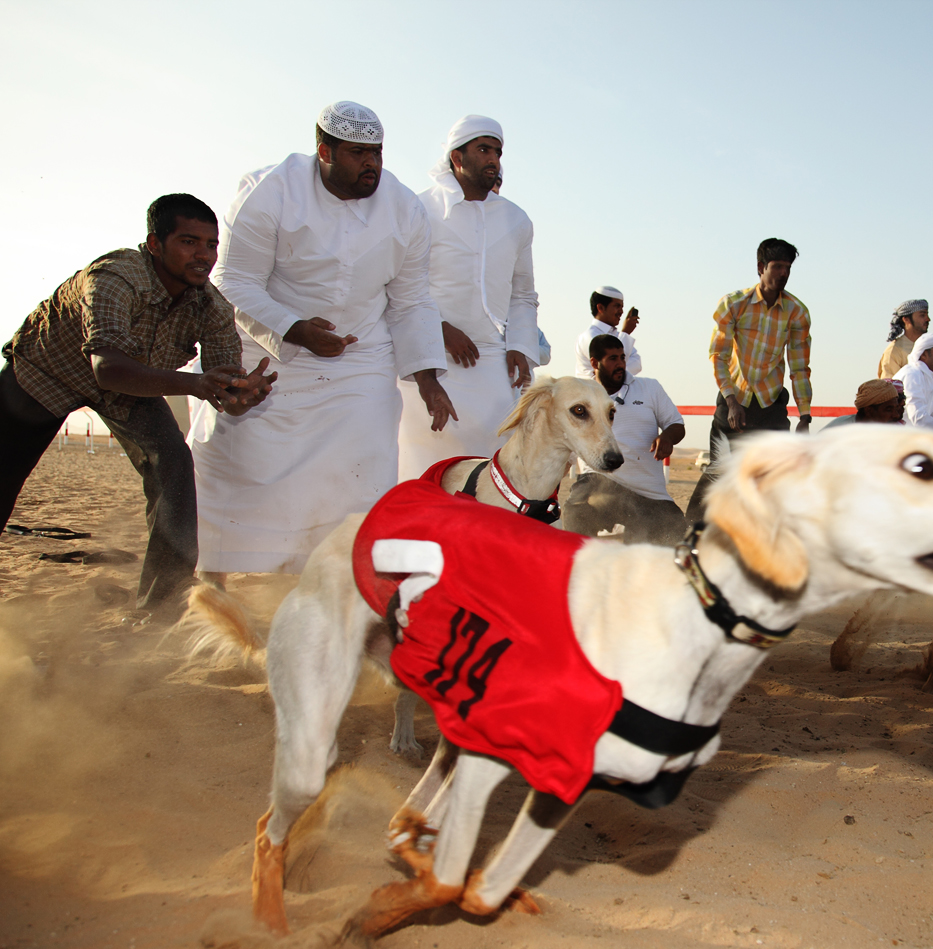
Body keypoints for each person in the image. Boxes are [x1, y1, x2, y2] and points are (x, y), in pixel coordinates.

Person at [192, 101, 454, 575]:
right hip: (267, 346)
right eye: (358, 154)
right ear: (323, 152)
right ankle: (216, 575)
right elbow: (233, 279)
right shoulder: (269, 191)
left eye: (376, 152)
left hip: (360, 354)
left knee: (365, 461)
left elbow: (412, 299)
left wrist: (429, 377)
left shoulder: (405, 209)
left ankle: (340, 577)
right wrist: (295, 329)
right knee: (235, 464)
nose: (371, 164)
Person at [1, 194, 275, 611]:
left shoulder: (212, 305)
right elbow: (107, 368)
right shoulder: (114, 276)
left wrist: (240, 395)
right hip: (47, 373)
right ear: (154, 244)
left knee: (175, 467)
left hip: (132, 387)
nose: (203, 255)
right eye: (188, 242)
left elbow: (221, 388)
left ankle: (160, 610)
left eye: (211, 244)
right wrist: (199, 383)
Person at [397, 115, 538, 479]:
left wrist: (520, 344)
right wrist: (439, 328)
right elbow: (398, 285)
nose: (493, 159)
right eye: (483, 149)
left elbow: (523, 293)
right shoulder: (418, 209)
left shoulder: (516, 220)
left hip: (492, 363)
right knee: (423, 471)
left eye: (497, 151)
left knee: (492, 471)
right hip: (427, 359)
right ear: (456, 158)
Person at [684, 238, 811, 522]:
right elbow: (718, 355)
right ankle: (686, 535)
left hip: (771, 405)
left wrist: (804, 416)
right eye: (777, 266)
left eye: (788, 267)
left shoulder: (797, 312)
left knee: (774, 477)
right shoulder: (733, 304)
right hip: (734, 402)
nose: (783, 274)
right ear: (760, 268)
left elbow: (800, 367)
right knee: (719, 471)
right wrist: (730, 400)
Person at [560, 336, 686, 545]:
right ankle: (576, 568)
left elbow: (676, 425)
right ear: (594, 363)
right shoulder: (581, 397)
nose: (620, 364)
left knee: (676, 534)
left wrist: (667, 437)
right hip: (600, 483)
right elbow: (567, 449)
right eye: (612, 359)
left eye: (622, 357)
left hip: (648, 492)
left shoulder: (649, 388)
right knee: (578, 508)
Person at [573, 286, 642, 378]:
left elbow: (637, 364)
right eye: (617, 306)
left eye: (622, 307)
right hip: (591, 391)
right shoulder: (589, 336)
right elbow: (608, 369)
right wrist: (625, 333)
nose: (621, 312)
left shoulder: (617, 335)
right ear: (600, 308)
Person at [823, 379, 905, 430]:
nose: (896, 415)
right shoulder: (840, 431)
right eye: (889, 410)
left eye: (896, 408)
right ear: (869, 410)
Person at [877, 299, 929, 378]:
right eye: (922, 315)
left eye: (927, 315)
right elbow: (890, 386)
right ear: (906, 319)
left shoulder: (928, 346)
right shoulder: (894, 350)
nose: (928, 319)